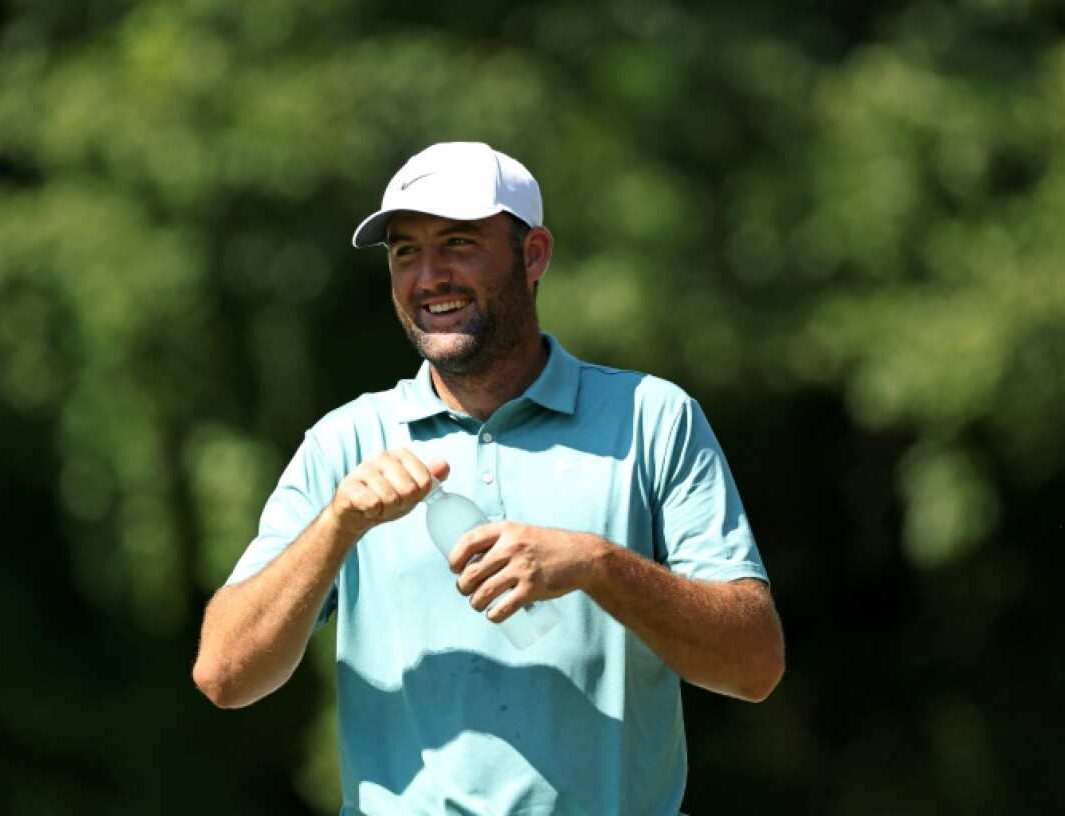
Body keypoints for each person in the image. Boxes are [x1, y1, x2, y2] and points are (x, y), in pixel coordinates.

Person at [192, 141, 785, 815]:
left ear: (533, 255)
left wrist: (597, 564)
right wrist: (336, 526)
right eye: (405, 252)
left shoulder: (652, 419)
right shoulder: (345, 443)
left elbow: (753, 666)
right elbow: (224, 674)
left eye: (458, 243)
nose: (429, 276)